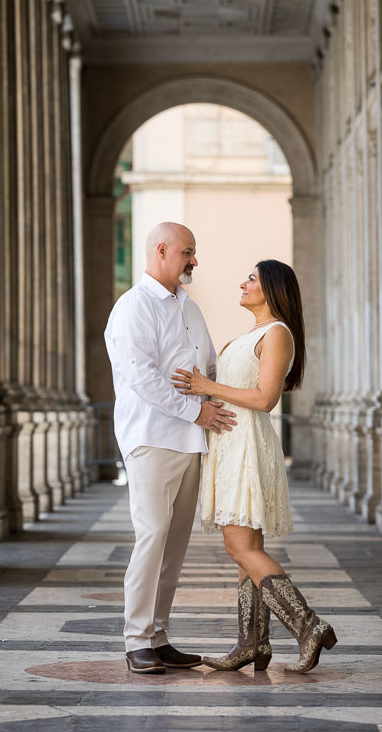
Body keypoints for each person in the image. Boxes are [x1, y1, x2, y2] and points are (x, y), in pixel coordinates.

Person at [172, 259, 337, 674]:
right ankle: (252, 644)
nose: (242, 283)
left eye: (252, 279)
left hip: (246, 444)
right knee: (248, 551)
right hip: (230, 444)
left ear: (273, 289)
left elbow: (265, 398)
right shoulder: (254, 334)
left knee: (239, 547)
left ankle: (309, 626)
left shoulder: (278, 333)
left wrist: (207, 387)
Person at [104, 222, 237, 674]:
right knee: (152, 535)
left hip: (190, 441)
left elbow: (209, 364)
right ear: (161, 251)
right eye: (188, 252)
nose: (194, 260)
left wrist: (217, 402)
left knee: (175, 543)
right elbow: (142, 378)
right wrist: (196, 412)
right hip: (151, 438)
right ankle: (136, 638)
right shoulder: (131, 308)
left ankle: (159, 636)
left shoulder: (190, 307)